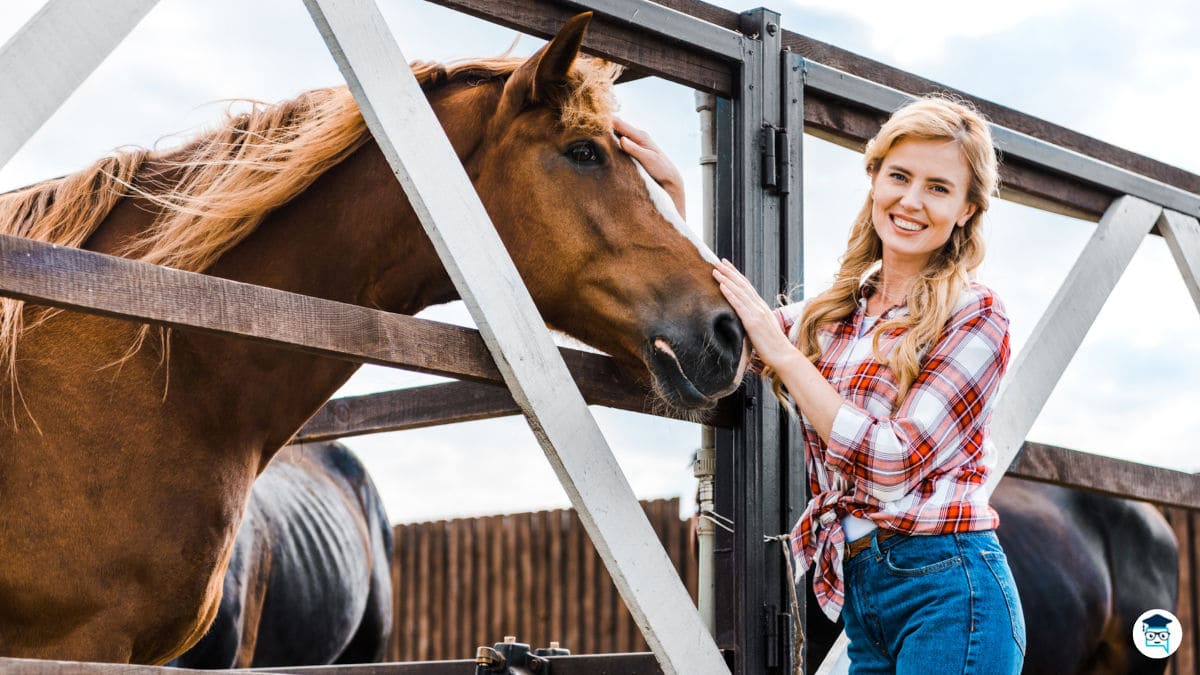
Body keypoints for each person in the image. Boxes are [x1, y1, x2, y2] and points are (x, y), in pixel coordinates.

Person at [619, 97, 1026, 673]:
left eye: (938, 188)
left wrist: (785, 355)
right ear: (875, 180)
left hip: (951, 593)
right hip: (864, 596)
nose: (911, 201)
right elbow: (726, 335)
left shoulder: (977, 314)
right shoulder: (834, 317)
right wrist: (672, 205)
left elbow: (892, 462)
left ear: (966, 210)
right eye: (900, 176)